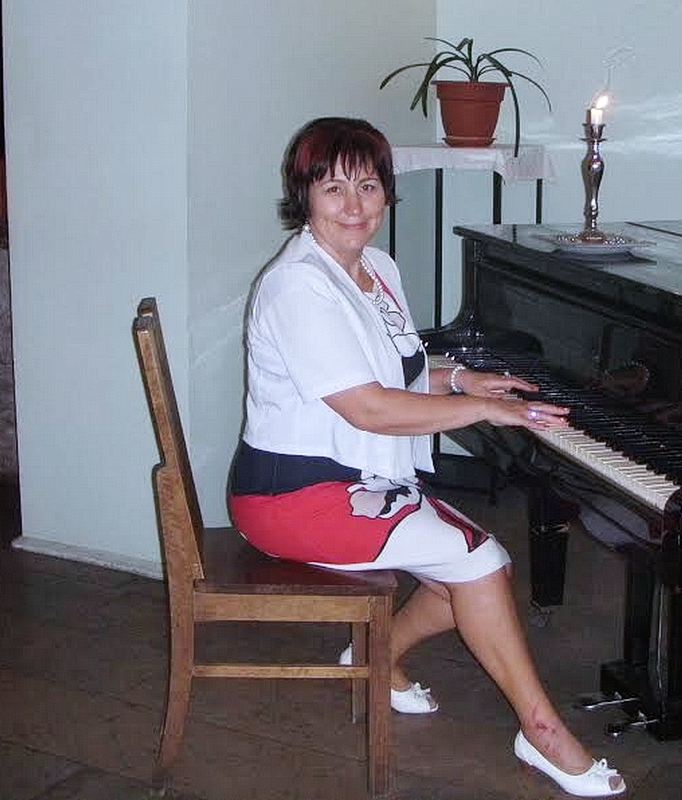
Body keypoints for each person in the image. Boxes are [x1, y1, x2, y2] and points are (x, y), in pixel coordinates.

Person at [226, 117, 626, 798]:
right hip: (289, 496)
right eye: (333, 188)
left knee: (476, 571)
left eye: (369, 186)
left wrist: (465, 380)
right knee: (480, 565)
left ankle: (374, 655)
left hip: (359, 481)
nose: (354, 205)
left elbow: (400, 372)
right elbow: (370, 408)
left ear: (387, 192)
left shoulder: (375, 269)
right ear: (305, 196)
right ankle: (540, 730)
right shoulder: (297, 286)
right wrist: (484, 410)